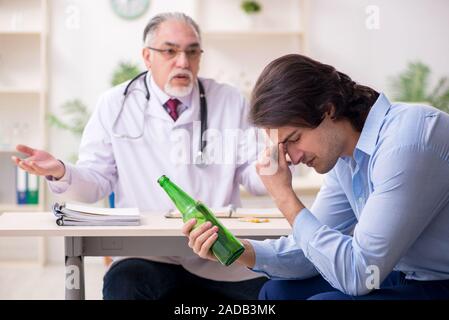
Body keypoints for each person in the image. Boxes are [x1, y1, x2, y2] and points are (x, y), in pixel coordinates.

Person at [11, 12, 269, 300]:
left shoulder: (230, 101)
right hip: (147, 255)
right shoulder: (115, 105)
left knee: (269, 294)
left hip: (219, 256)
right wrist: (60, 171)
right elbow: (96, 181)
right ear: (147, 56)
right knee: (124, 286)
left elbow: (255, 180)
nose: (183, 61)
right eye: (170, 51)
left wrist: (277, 159)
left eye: (192, 51)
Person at [183, 53, 449, 300]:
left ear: (328, 109)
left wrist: (284, 196)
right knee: (276, 294)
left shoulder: (408, 142)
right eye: (283, 148)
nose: (293, 158)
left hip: (438, 281)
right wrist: (236, 250)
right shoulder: (345, 159)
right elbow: (308, 254)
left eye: (294, 140)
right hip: (403, 274)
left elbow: (358, 274)